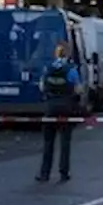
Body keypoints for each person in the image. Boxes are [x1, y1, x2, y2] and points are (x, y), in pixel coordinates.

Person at [37, 42, 82, 182]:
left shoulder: (48, 68)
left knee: (48, 142)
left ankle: (45, 173)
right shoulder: (71, 70)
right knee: (65, 142)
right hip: (66, 108)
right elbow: (78, 89)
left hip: (50, 107)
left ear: (56, 54)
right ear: (67, 54)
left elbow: (42, 86)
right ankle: (63, 172)